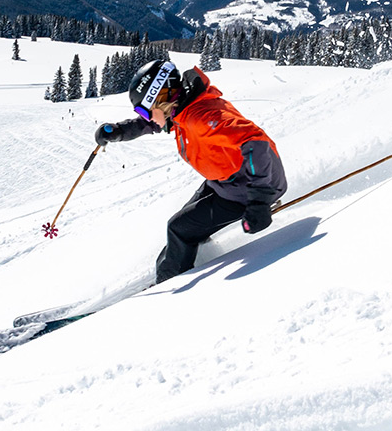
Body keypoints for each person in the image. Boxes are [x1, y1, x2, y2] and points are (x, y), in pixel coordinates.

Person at [95, 59, 288, 284]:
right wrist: (118, 131)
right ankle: (176, 269)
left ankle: (169, 284)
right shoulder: (182, 108)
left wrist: (259, 200)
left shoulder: (201, 117)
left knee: (178, 229)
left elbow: (255, 142)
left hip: (248, 189)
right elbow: (149, 124)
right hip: (226, 181)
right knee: (183, 224)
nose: (145, 117)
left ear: (161, 99)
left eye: (144, 110)